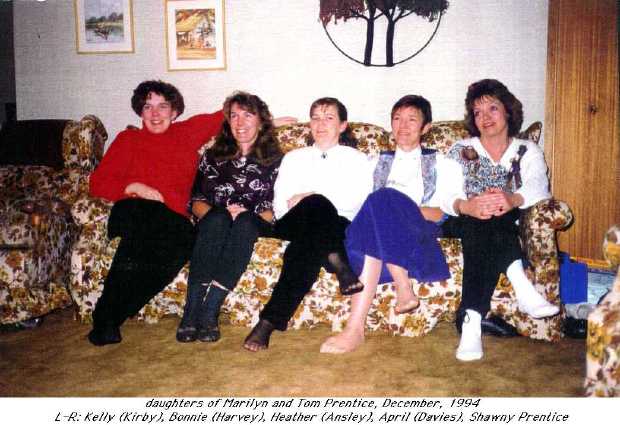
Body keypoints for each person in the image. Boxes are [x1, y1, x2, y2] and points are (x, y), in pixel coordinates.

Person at [320, 95, 462, 354]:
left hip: (416, 244)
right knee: (379, 203)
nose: (403, 126)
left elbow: (442, 213)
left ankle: (355, 328)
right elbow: (357, 209)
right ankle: (402, 285)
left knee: (383, 199)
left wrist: (398, 211)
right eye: (397, 119)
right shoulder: (372, 163)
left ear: (426, 127)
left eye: (412, 120)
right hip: (364, 246)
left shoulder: (445, 165)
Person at [87, 80, 224, 346]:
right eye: (148, 107)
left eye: (163, 106)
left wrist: (266, 124)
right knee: (148, 223)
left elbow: (229, 114)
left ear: (174, 111)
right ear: (140, 111)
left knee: (184, 240)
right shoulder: (128, 140)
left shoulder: (187, 133)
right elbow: (97, 183)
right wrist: (134, 186)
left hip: (173, 222)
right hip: (132, 209)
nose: (155, 113)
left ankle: (112, 317)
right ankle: (105, 319)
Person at [242, 97, 374, 352]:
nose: (320, 124)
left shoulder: (357, 159)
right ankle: (337, 260)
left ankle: (268, 322)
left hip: (338, 224)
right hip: (293, 222)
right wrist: (312, 200)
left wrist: (309, 196)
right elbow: (281, 204)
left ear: (343, 125)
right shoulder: (294, 158)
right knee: (315, 206)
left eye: (329, 118)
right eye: (315, 118)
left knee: (308, 242)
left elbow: (357, 202)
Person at [442, 79, 559, 361]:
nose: (485, 117)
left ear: (507, 110)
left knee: (493, 217)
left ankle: (470, 321)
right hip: (462, 219)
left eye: (492, 108)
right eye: (478, 112)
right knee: (481, 218)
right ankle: (521, 284)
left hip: (506, 220)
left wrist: (511, 199)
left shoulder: (526, 150)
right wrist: (468, 205)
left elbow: (538, 185)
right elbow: (445, 194)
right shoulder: (460, 148)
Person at [176, 91, 282, 343]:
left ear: (261, 122)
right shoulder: (212, 156)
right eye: (234, 116)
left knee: (244, 223)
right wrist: (220, 216)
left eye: (248, 115)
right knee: (218, 220)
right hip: (215, 222)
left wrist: (245, 215)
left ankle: (210, 309)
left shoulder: (277, 161)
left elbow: (276, 207)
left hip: (255, 222)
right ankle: (191, 310)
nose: (240, 122)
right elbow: (197, 201)